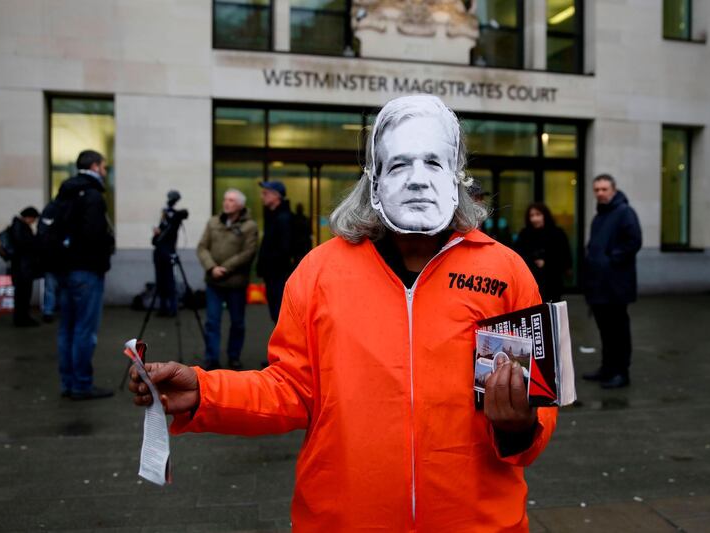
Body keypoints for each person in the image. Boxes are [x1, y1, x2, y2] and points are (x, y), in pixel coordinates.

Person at [130, 95, 557, 532]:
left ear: (456, 176)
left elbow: (539, 402)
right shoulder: (320, 272)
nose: (416, 180)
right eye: (398, 165)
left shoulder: (504, 271)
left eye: (433, 163)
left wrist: (520, 424)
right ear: (373, 180)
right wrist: (204, 392)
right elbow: (290, 389)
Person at [57, 150, 115, 400]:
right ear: (94, 166)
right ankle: (81, 384)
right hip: (87, 271)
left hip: (65, 270)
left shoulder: (65, 192)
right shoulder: (92, 195)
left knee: (66, 329)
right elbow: (94, 235)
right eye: (103, 166)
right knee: (84, 330)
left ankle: (68, 382)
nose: (105, 170)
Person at [582, 174, 642, 389]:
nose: (600, 193)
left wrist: (610, 259)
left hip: (616, 286)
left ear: (613, 190)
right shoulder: (600, 216)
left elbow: (634, 241)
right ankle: (607, 369)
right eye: (596, 189)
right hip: (599, 286)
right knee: (605, 332)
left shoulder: (624, 212)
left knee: (618, 332)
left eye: (604, 189)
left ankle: (621, 372)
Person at [197, 189, 258, 371]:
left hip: (235, 283)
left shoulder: (250, 226)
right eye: (225, 199)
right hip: (213, 282)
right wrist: (212, 267)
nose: (226, 203)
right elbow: (202, 247)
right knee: (212, 322)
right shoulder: (213, 222)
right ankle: (211, 358)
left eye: (231, 200)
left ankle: (234, 357)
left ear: (240, 205)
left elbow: (248, 252)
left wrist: (225, 268)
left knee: (237, 323)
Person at [514, 203, 572, 302]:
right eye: (532, 215)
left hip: (552, 282)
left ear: (545, 215)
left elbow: (564, 256)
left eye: (538, 214)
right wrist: (532, 261)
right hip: (531, 281)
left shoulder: (557, 233)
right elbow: (517, 255)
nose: (535, 219)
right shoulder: (525, 234)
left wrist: (547, 262)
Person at [256, 181, 294, 323]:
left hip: (278, 276)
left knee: (280, 316)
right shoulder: (273, 216)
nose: (262, 196)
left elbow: (284, 250)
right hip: (273, 275)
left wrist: (268, 264)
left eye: (265, 193)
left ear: (276, 196)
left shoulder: (283, 218)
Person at [152, 190, 188, 317]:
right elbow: (155, 240)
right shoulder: (166, 217)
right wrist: (157, 234)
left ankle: (172, 307)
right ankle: (163, 307)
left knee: (169, 281)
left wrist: (173, 215)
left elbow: (182, 216)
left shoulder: (175, 217)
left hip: (168, 252)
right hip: (160, 252)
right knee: (161, 281)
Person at [9, 206, 40, 327]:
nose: (34, 221)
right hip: (22, 269)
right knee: (22, 295)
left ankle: (23, 317)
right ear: (29, 217)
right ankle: (21, 319)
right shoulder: (20, 227)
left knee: (23, 295)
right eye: (34, 218)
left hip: (22, 268)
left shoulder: (19, 226)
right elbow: (24, 246)